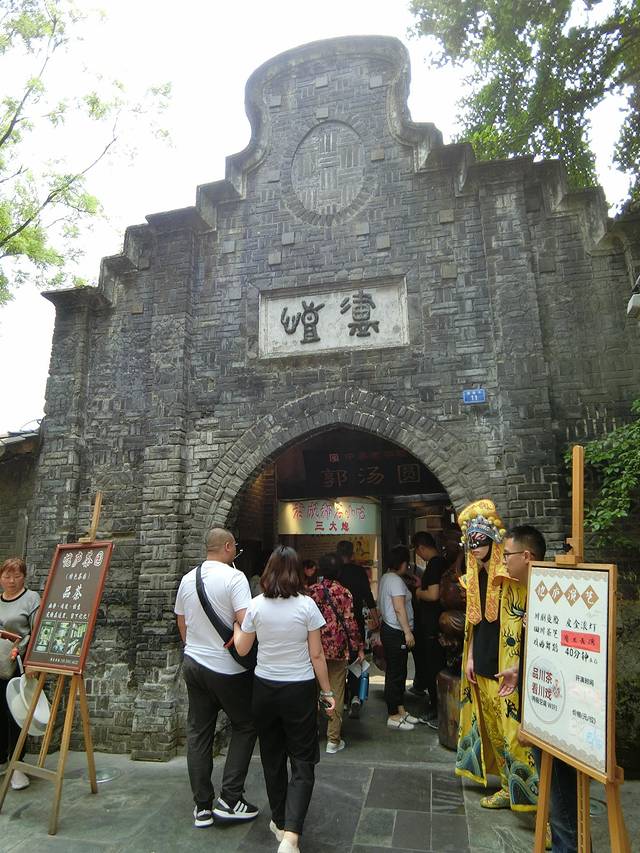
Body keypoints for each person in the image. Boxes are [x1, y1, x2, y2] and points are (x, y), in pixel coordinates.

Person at [232, 546, 335, 853]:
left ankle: (279, 821)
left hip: (264, 689)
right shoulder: (307, 605)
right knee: (303, 761)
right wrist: (327, 692)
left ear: (269, 572)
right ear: (297, 573)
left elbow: (242, 649)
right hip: (299, 690)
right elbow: (317, 655)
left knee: (272, 758)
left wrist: (237, 626)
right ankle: (291, 835)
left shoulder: (256, 605)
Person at [455, 499, 539, 813]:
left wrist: (517, 664)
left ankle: (536, 804)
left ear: (494, 540)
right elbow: (473, 624)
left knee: (514, 735)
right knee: (494, 732)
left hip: (508, 669)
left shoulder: (513, 578)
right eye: (470, 542)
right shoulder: (473, 578)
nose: (475, 547)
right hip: (483, 664)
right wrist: (470, 658)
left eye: (480, 540)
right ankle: (506, 786)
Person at [503, 525, 582, 853]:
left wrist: (533, 719)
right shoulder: (534, 591)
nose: (503, 561)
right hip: (542, 709)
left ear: (526, 555)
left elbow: (561, 661)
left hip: (555, 717)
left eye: (507, 555)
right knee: (556, 796)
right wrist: (519, 670)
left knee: (561, 799)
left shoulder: (552, 594)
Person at [174, 528, 259, 829]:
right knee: (246, 724)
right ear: (227, 546)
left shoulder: (188, 579)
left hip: (193, 664)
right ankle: (231, 798)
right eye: (235, 546)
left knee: (199, 733)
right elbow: (247, 624)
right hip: (227, 669)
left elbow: (182, 622)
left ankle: (202, 807)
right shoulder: (235, 578)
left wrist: (195, 648)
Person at [309, 553, 364, 753]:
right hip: (338, 649)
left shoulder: (311, 592)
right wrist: (359, 647)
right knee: (337, 691)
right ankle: (333, 739)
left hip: (313, 648)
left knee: (313, 691)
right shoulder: (344, 593)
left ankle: (312, 732)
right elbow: (350, 622)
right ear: (339, 571)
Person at [0, 557, 41, 791]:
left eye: (17, 576)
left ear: (24, 577)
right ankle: (2, 760)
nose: (12, 581)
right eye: (7, 576)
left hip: (18, 665)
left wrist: (32, 661)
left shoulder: (31, 599)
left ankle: (18, 765)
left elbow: (38, 631)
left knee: (16, 716)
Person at [335, 540, 378, 719]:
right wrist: (376, 618)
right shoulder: (359, 572)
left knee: (338, 662)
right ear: (352, 554)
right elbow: (368, 596)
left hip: (336, 625)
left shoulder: (335, 572)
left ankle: (341, 698)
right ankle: (354, 696)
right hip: (356, 621)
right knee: (355, 659)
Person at [378, 545, 417, 730]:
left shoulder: (386, 577)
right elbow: (399, 608)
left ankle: (400, 709)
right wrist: (407, 632)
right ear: (402, 563)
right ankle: (393, 715)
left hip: (390, 629)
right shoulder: (395, 581)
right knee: (395, 673)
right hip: (396, 631)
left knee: (399, 671)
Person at [412, 531, 447, 728]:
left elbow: (433, 595)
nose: (419, 555)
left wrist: (418, 592)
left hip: (432, 626)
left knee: (434, 667)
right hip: (437, 624)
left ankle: (436, 709)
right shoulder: (441, 563)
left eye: (418, 551)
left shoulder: (434, 564)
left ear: (421, 548)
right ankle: (437, 706)